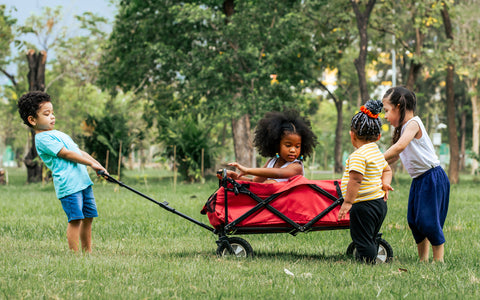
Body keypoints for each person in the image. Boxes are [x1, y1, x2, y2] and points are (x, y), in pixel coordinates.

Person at [17, 91, 108, 253]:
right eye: (46, 114)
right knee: (76, 219)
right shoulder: (42, 139)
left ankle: (88, 253)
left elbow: (77, 151)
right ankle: (74, 255)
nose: (52, 116)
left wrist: (97, 164)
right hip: (69, 186)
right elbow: (67, 154)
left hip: (83, 181)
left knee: (88, 217)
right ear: (32, 120)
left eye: (52, 113)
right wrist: (91, 164)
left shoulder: (58, 134)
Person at [382, 86, 449, 263]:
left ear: (398, 107)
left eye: (387, 111)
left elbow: (399, 147)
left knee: (428, 220)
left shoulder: (413, 123)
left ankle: (438, 260)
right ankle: (422, 259)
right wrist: (377, 167)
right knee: (414, 220)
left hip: (432, 177)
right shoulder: (404, 128)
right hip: (419, 180)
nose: (385, 116)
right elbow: (396, 155)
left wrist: (374, 159)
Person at [338, 100, 393, 264]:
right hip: (379, 204)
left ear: (352, 135)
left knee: (361, 237)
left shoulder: (358, 156)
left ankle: (368, 263)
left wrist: (347, 202)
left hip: (363, 206)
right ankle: (369, 254)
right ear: (378, 136)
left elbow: (356, 180)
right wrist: (385, 183)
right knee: (370, 236)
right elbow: (387, 169)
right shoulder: (376, 152)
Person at [220, 110, 317, 182]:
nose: (293, 150)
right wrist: (235, 176)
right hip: (269, 207)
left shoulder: (296, 166)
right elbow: (255, 183)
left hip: (288, 207)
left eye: (297, 146)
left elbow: (278, 173)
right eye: (288, 145)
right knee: (267, 184)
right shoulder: (271, 162)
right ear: (276, 144)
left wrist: (248, 170)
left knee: (271, 183)